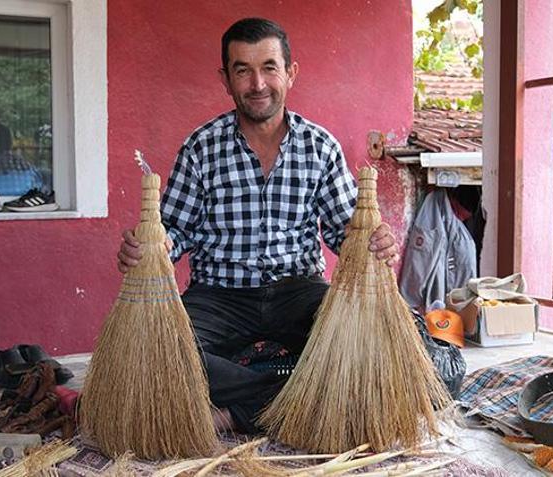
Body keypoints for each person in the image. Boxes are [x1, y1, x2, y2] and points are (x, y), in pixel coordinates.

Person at [116, 17, 400, 434]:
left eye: (269, 67)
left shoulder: (320, 147)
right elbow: (174, 232)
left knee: (374, 346)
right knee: (150, 354)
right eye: (242, 70)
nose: (258, 84)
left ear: (290, 73)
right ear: (225, 80)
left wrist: (374, 243)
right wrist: (148, 248)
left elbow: (344, 232)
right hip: (219, 295)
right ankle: (293, 392)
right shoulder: (201, 147)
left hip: (298, 290)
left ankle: (236, 413)